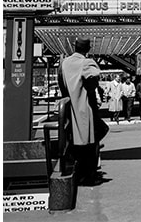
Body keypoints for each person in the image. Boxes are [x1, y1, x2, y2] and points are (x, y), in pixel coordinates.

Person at [57, 35, 109, 186]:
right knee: (91, 140)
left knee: (75, 142)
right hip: (84, 108)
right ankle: (89, 176)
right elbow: (95, 74)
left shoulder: (64, 63)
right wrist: (91, 85)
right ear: (87, 49)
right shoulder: (86, 62)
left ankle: (79, 173)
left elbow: (61, 82)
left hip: (69, 109)